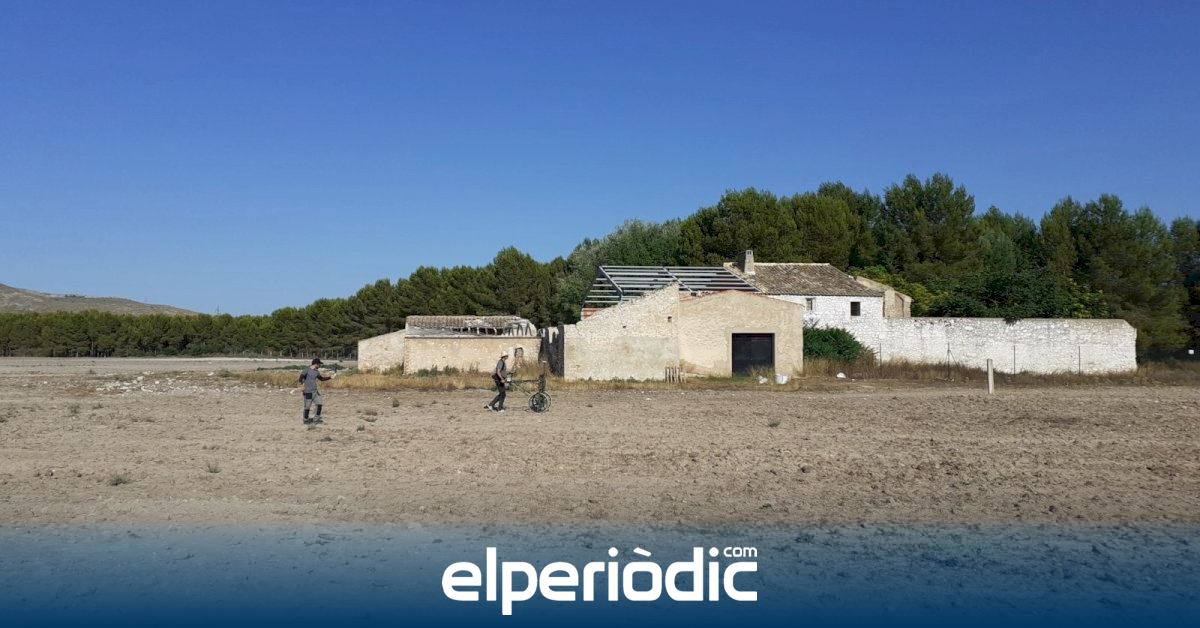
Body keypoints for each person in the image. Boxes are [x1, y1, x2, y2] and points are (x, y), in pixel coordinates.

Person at [297, 358, 333, 425]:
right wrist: (302, 386)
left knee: (319, 404)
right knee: (307, 407)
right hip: (308, 392)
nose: (320, 365)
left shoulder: (316, 372)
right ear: (316, 364)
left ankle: (316, 420)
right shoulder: (306, 370)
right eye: (319, 364)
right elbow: (300, 378)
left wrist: (330, 377)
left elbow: (321, 379)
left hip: (315, 392)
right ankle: (306, 420)